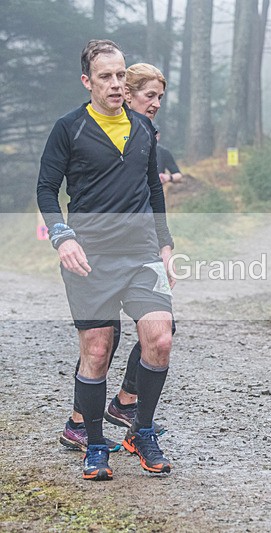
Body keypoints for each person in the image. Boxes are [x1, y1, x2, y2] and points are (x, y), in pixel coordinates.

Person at [38, 40, 176, 481]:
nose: (116, 84)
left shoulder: (142, 128)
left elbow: (153, 191)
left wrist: (166, 243)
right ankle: (95, 442)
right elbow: (46, 189)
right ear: (88, 81)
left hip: (140, 253)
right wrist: (63, 237)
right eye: (106, 77)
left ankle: (143, 430)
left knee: (161, 337)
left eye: (120, 75)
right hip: (89, 257)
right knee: (96, 351)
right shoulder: (69, 128)